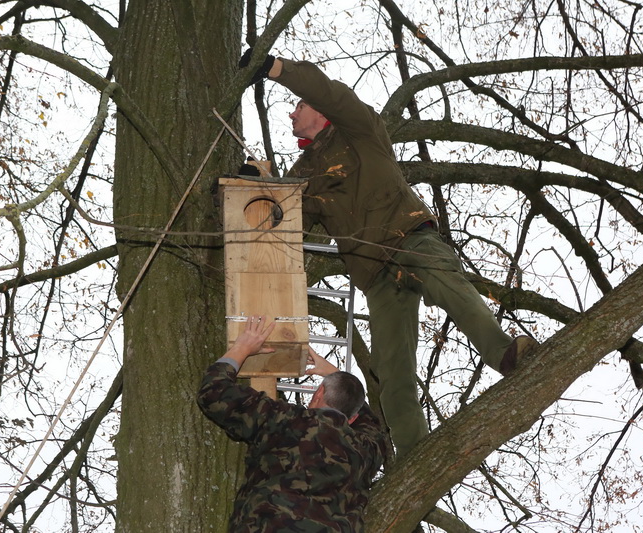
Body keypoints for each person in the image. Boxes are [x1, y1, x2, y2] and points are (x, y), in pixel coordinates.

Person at [238, 50, 538, 459]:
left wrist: (276, 69)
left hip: (410, 239)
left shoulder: (358, 130)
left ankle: (503, 353)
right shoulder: (305, 173)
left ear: (322, 112)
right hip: (376, 276)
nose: (292, 114)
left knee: (448, 284)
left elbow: (330, 93)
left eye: (299, 106)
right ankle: (417, 456)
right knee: (390, 367)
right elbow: (288, 221)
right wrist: (264, 186)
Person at [197, 316, 389, 532]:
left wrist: (242, 347)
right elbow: (374, 427)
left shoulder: (285, 419)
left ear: (318, 393)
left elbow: (214, 392)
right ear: (353, 418)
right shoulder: (365, 453)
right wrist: (340, 380)